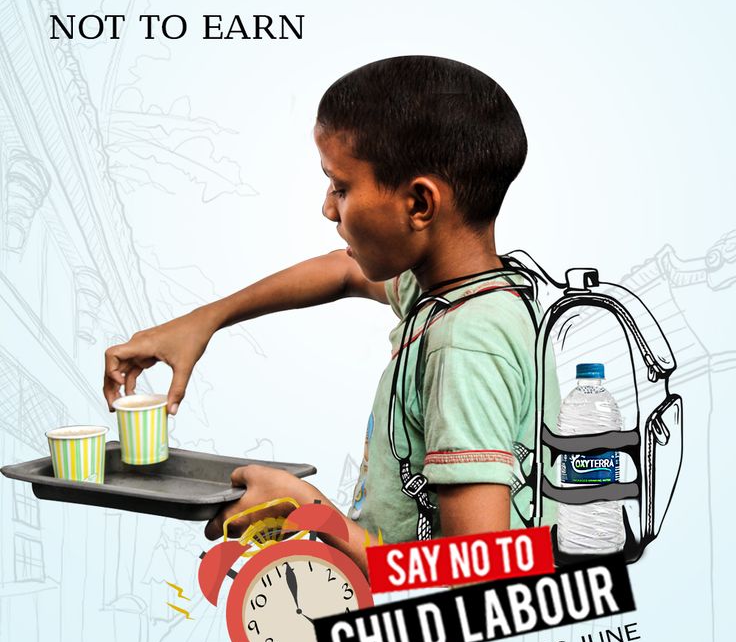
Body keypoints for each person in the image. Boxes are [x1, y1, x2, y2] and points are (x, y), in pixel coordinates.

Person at [104, 56, 559, 575]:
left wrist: (311, 513)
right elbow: (341, 271)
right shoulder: (458, 289)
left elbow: (476, 574)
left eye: (340, 187)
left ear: (419, 204)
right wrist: (202, 321)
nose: (327, 208)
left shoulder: (465, 346)